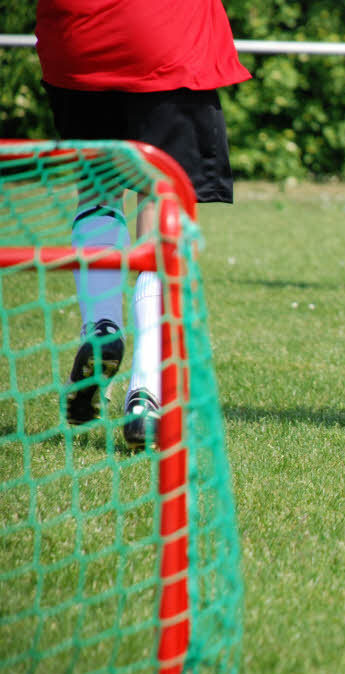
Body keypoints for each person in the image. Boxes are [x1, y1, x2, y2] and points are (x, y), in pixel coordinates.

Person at [34, 0, 251, 448]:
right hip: (163, 37)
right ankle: (145, 395)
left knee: (97, 189)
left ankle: (102, 327)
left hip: (77, 40)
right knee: (160, 196)